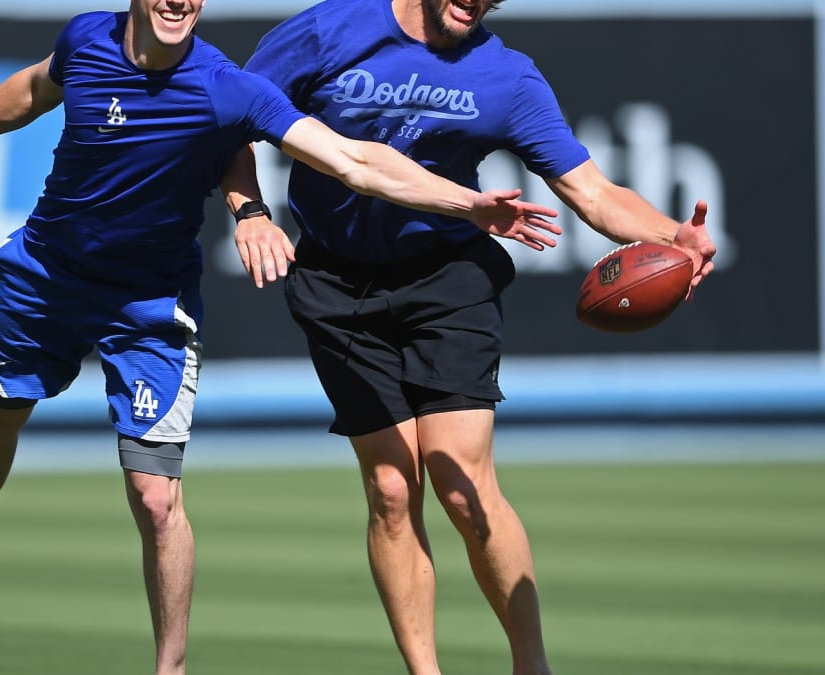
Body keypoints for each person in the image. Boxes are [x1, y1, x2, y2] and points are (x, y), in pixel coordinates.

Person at [0, 2, 562, 673]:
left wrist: (466, 203)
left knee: (157, 499)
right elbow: (33, 88)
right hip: (47, 273)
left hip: (149, 305)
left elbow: (353, 159)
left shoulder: (227, 86)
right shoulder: (86, 41)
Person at [233, 1, 718, 673]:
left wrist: (672, 236)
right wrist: (250, 210)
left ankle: (531, 663)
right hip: (335, 280)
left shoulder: (506, 77)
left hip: (447, 276)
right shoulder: (328, 30)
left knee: (461, 485)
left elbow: (593, 192)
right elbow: (232, 118)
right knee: (391, 490)